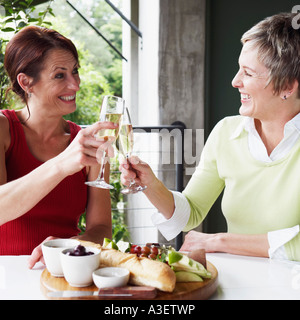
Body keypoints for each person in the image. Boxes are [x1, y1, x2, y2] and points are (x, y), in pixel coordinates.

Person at [120, 12, 300, 262]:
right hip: (239, 283)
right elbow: (191, 212)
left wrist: (220, 241)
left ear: (288, 87)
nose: (235, 81)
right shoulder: (227, 132)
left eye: (247, 73)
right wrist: (150, 183)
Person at [0, 26, 117, 267]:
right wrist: (62, 164)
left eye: (75, 71)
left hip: (65, 273)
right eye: (60, 75)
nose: (75, 84)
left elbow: (102, 228)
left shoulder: (85, 143)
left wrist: (70, 247)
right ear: (26, 82)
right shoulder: (3, 129)